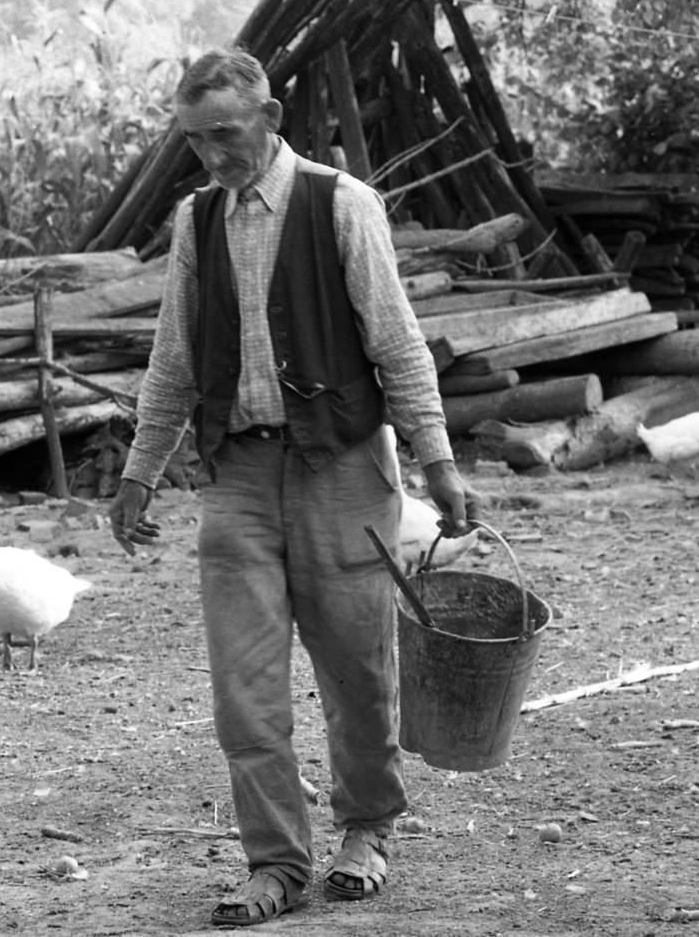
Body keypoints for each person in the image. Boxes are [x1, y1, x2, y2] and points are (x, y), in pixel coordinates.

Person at [106, 47, 480, 926]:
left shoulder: (341, 204)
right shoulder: (197, 222)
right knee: (244, 685)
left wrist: (439, 464)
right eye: (195, 141)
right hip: (237, 475)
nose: (211, 157)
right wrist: (138, 473)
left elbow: (397, 344)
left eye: (225, 136)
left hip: (344, 468)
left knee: (357, 667)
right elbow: (172, 359)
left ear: (271, 119)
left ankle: (366, 831)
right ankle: (275, 862)